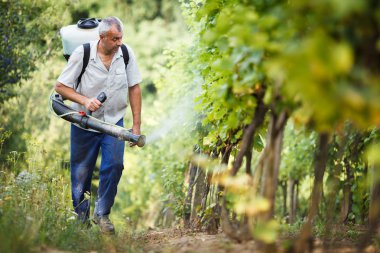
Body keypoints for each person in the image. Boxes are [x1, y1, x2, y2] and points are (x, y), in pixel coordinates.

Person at [54, 16, 142, 234]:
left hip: (114, 122)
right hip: (84, 122)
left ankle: (102, 214)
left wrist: (136, 126)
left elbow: (135, 88)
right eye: (114, 39)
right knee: (80, 174)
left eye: (121, 37)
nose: (119, 42)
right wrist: (85, 100)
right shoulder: (82, 54)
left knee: (114, 165)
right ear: (101, 37)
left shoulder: (126, 54)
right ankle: (80, 222)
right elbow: (61, 87)